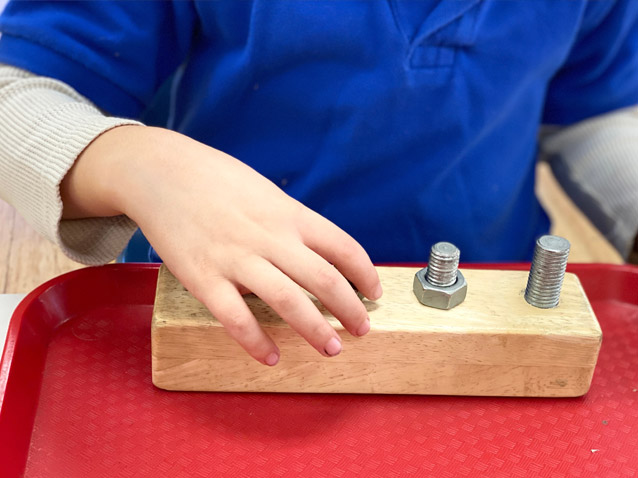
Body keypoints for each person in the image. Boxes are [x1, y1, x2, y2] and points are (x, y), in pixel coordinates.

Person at [0, 1, 637, 366]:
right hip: (225, 313)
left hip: (497, 313)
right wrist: (137, 162)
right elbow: (15, 92)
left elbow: (595, 107)